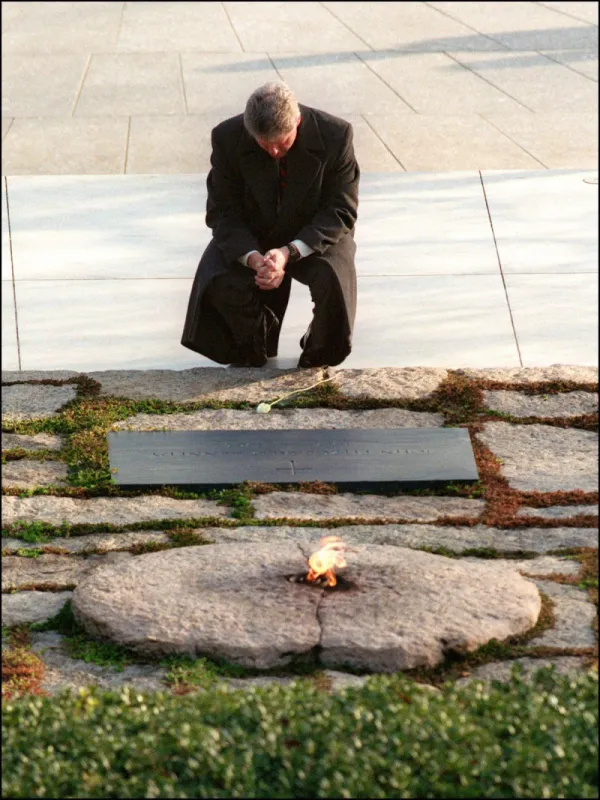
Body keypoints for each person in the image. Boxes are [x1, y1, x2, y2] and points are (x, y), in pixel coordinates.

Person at [181, 82, 359, 368]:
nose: (274, 152)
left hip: (313, 233)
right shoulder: (227, 137)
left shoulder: (336, 135)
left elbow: (341, 209)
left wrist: (289, 252)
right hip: (255, 231)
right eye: (264, 144)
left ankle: (319, 349)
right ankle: (255, 335)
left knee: (332, 278)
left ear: (297, 121)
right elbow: (222, 212)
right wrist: (253, 258)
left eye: (282, 142)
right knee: (217, 279)